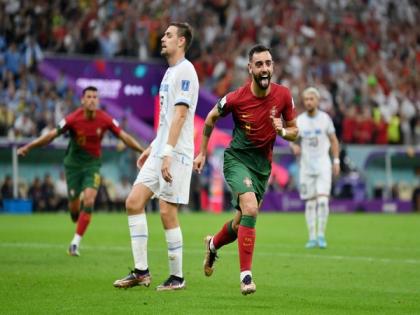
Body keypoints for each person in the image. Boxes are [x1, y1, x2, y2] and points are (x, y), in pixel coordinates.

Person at [193, 44, 298, 295]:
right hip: (237, 160)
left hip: (262, 168)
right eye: (259, 64)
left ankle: (213, 246)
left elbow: (295, 131)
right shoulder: (236, 98)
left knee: (242, 222)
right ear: (250, 68)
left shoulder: (283, 95)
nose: (264, 68)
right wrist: (202, 152)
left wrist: (281, 130)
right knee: (251, 208)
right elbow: (210, 118)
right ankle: (246, 276)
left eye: (268, 63)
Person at [113, 22, 198, 291]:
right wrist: (154, 146)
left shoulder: (185, 71)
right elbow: (166, 120)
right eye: (164, 34)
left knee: (166, 211)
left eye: (169, 35)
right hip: (162, 149)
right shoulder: (169, 73)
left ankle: (177, 277)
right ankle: (141, 272)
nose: (163, 38)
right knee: (134, 202)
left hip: (177, 153)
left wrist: (168, 153)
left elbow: (181, 116)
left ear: (182, 41)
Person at [17, 86, 144, 256]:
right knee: (74, 211)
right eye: (89, 97)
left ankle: (75, 243)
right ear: (83, 100)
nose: (92, 99)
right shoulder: (73, 119)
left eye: (95, 97)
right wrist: (29, 146)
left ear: (98, 100)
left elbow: (124, 136)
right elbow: (51, 135)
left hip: (92, 165)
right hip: (73, 166)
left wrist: (142, 151)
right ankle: (76, 215)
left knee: (90, 200)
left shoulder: (105, 119)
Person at [289, 87, 340, 249]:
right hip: (306, 167)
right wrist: (293, 146)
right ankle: (311, 237)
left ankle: (321, 235)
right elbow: (292, 137)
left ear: (317, 101)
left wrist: (336, 161)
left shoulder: (325, 119)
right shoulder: (300, 120)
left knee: (323, 201)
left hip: (323, 164)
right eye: (306, 99)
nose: (309, 101)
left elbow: (334, 140)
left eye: (312, 99)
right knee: (310, 203)